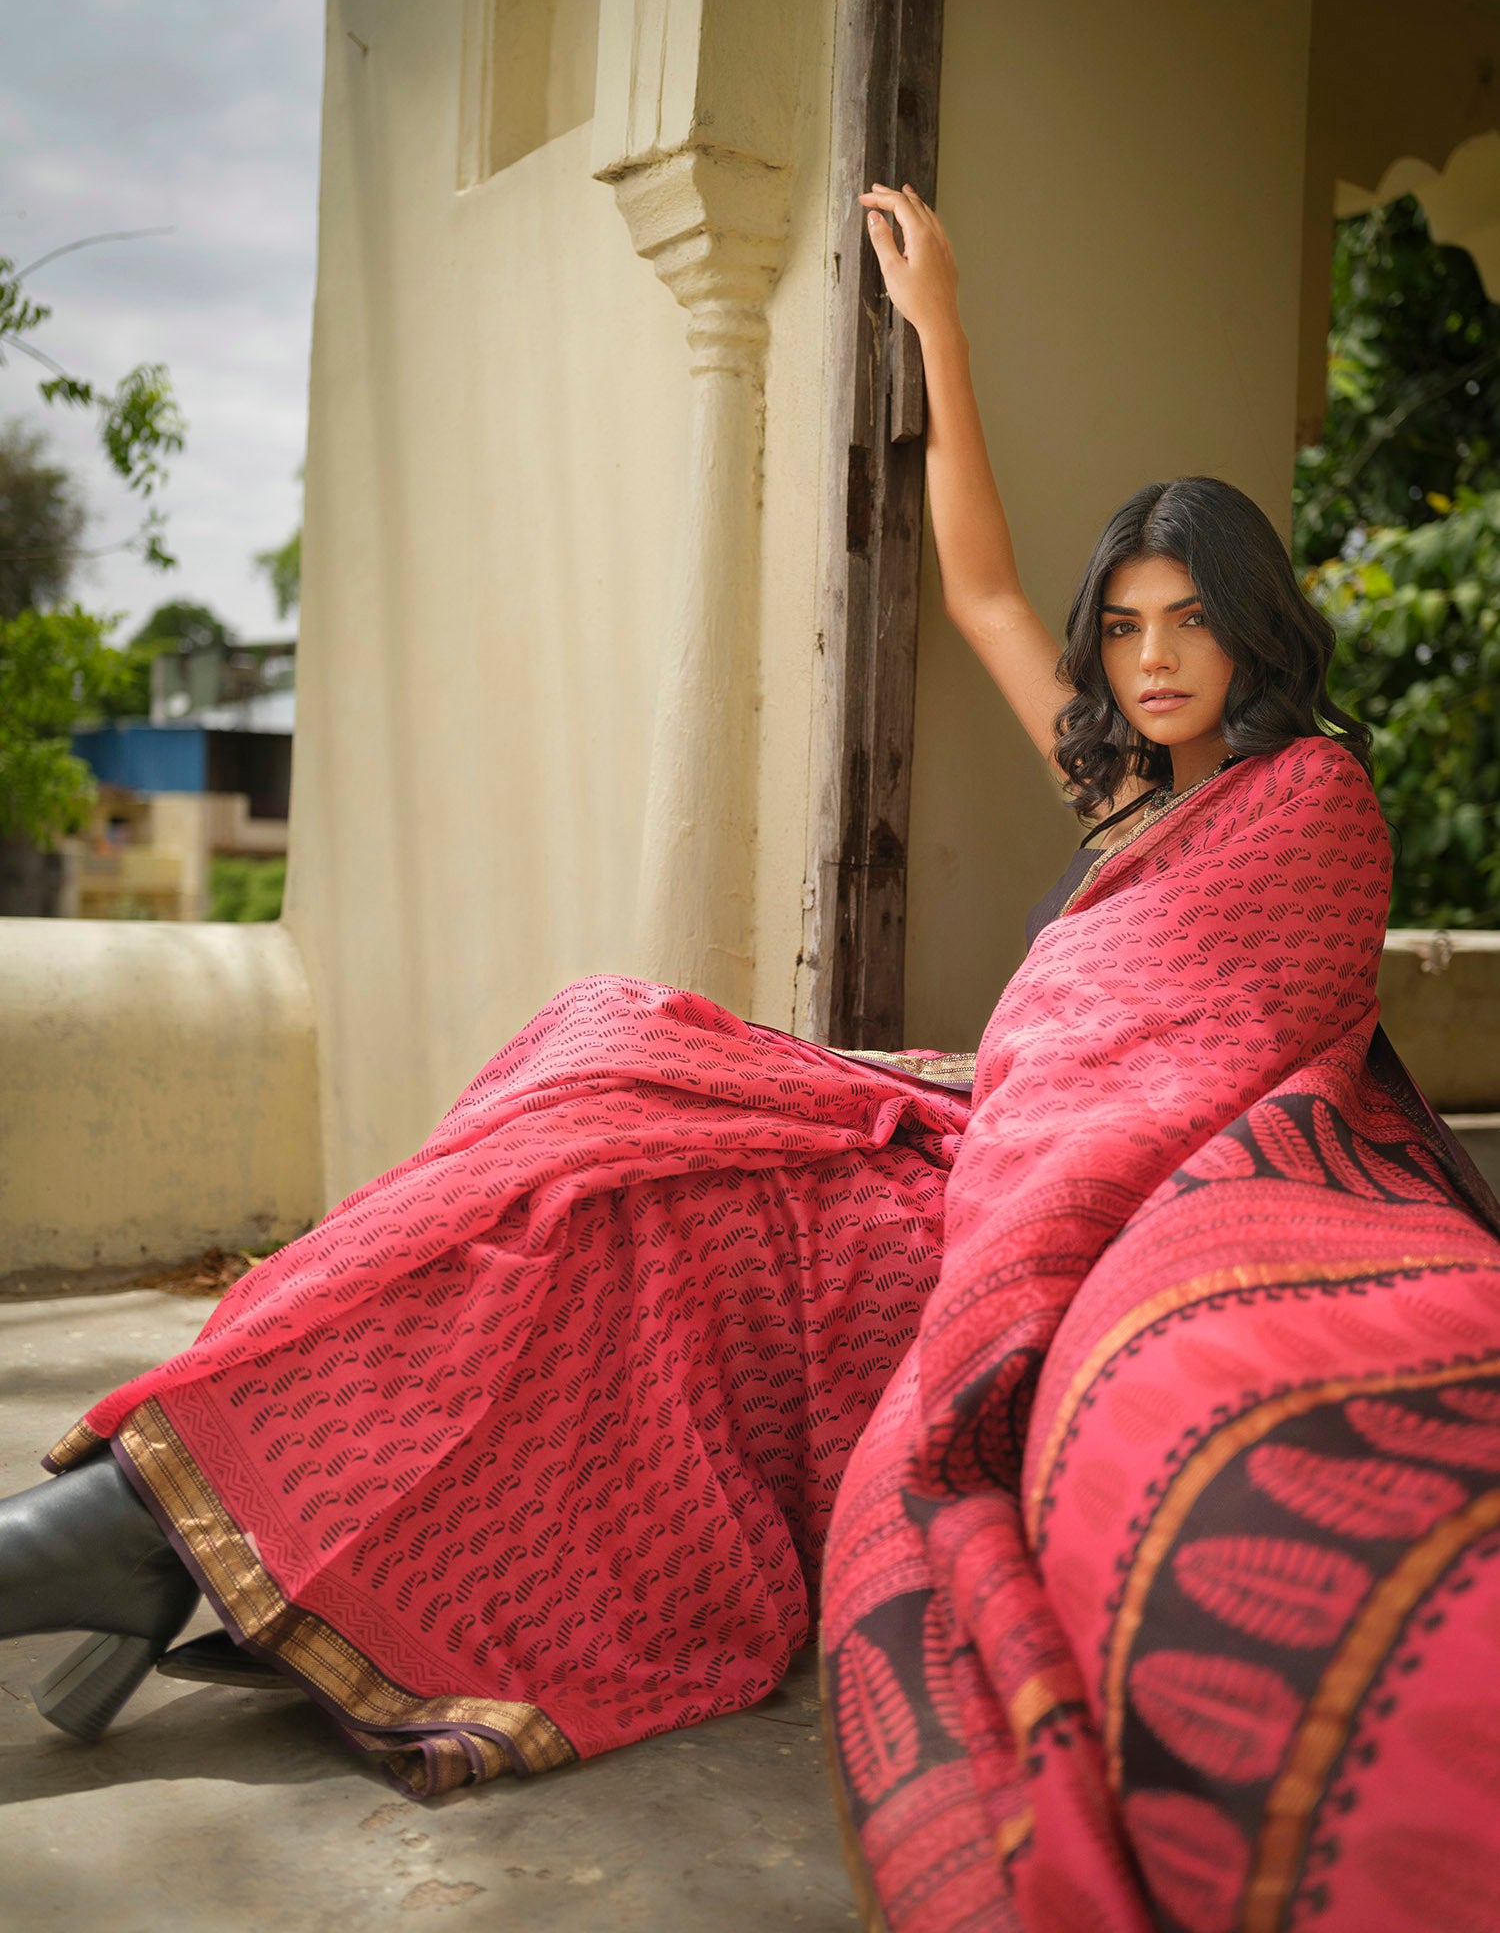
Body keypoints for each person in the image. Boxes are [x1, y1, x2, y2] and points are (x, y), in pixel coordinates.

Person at [2, 182, 1497, 1933]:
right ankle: (171, 1501)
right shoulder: (1124, 801)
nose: (1151, 658)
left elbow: (1208, 1051)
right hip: (965, 1136)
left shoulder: (1312, 800)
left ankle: (136, 1543)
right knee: (596, 1079)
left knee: (664, 1224)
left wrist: (1019, 1150)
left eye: (1188, 620)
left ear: (1254, 624)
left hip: (1020, 1210)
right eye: (1128, 625)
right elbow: (984, 584)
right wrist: (936, 324)